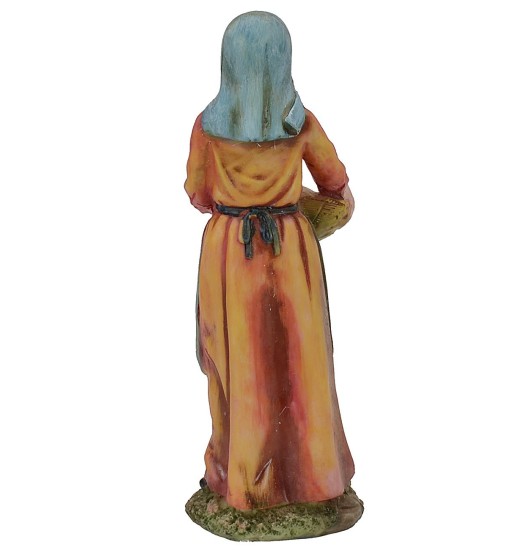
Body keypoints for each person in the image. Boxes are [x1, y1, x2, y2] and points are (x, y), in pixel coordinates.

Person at [184, 11, 355, 511]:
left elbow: (198, 193)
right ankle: (313, 478)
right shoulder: (300, 123)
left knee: (240, 366)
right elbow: (335, 182)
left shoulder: (207, 128)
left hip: (230, 257)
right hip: (290, 252)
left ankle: (242, 478)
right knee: (301, 362)